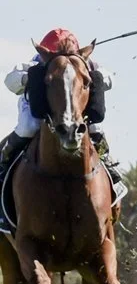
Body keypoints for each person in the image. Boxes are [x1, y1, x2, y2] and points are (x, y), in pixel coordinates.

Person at [0, 28, 121, 191]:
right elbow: (9, 80)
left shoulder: (86, 63)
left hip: (74, 108)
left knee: (94, 126)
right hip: (39, 107)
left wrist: (93, 76)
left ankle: (107, 161)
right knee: (28, 127)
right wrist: (30, 79)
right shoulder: (36, 62)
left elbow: (109, 78)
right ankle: (5, 160)